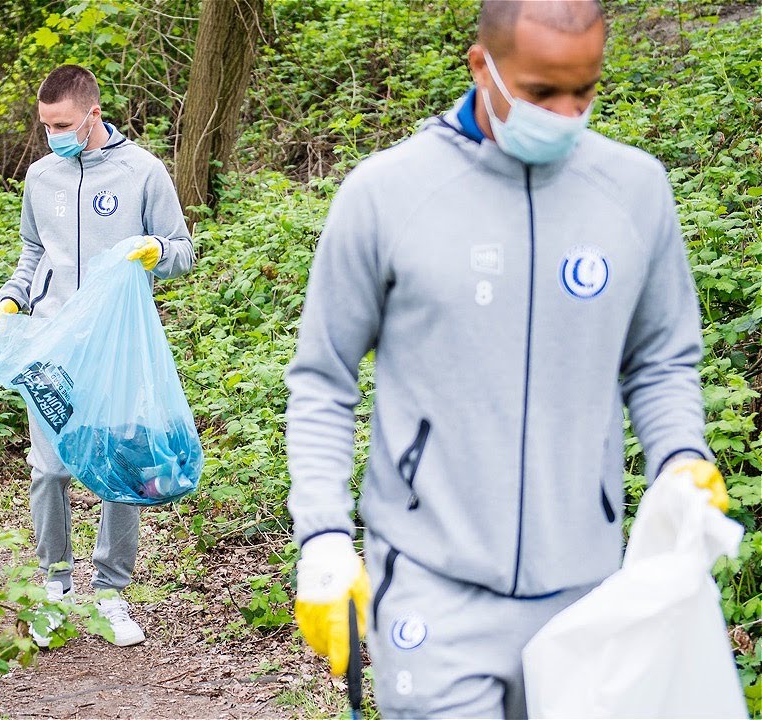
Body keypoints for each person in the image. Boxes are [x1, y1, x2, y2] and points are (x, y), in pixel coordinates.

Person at [285, 2, 730, 717]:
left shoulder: (635, 190)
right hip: (431, 586)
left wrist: (680, 456)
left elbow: (660, 360)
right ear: (480, 67)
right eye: (540, 92)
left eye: (584, 90)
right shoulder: (386, 193)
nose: (565, 111)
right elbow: (323, 381)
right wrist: (325, 536)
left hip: (587, 594)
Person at [0, 65, 194, 647]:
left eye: (62, 124)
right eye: (45, 124)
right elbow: (32, 251)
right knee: (48, 468)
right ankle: (54, 587)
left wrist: (155, 249)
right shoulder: (40, 175)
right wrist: (12, 296)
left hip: (116, 345)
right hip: (52, 343)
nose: (52, 134)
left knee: (115, 467)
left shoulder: (143, 171)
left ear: (93, 115)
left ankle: (111, 592)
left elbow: (183, 250)